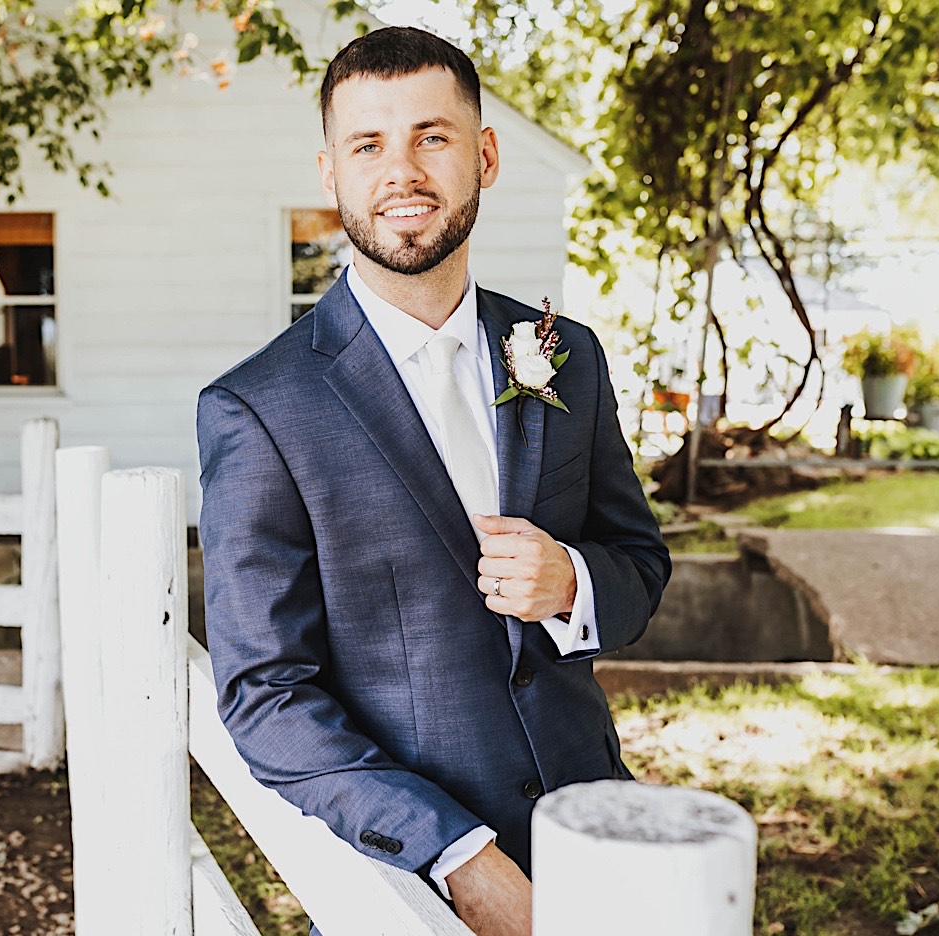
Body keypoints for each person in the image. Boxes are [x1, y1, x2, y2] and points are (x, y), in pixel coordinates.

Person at [195, 26, 670, 936]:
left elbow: (640, 567)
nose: (401, 170)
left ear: (483, 156)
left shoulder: (568, 358)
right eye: (367, 145)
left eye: (432, 136)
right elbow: (266, 696)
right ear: (330, 174)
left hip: (598, 832)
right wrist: (459, 856)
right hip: (413, 880)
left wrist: (572, 582)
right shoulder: (259, 409)